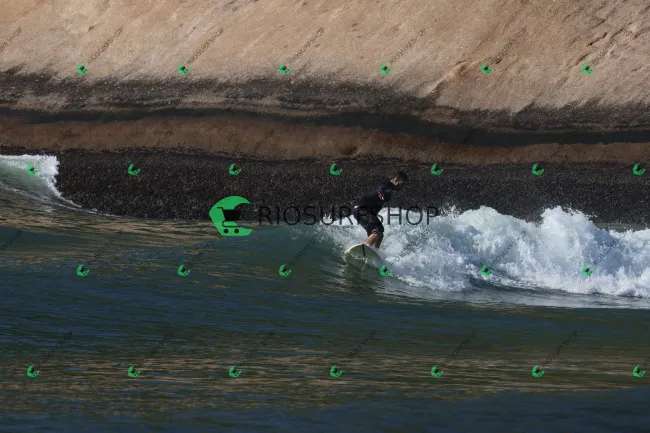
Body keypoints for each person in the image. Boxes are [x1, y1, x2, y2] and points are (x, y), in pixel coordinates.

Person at [352, 171, 408, 249]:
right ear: (396, 180)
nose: (403, 186)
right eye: (402, 183)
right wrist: (380, 191)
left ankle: (374, 250)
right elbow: (381, 186)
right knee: (377, 230)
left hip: (368, 213)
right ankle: (364, 248)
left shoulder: (389, 192)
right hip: (360, 210)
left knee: (380, 233)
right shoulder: (387, 185)